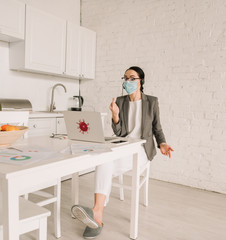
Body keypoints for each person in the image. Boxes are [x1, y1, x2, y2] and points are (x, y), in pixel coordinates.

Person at [71, 66, 174, 239]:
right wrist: (115, 116)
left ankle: (96, 213)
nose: (128, 82)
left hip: (141, 149)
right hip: (123, 145)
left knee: (106, 165)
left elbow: (157, 127)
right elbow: (119, 133)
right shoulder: (120, 101)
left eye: (132, 78)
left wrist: (162, 143)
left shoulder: (152, 102)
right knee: (104, 161)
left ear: (141, 81)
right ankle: (98, 214)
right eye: (125, 78)